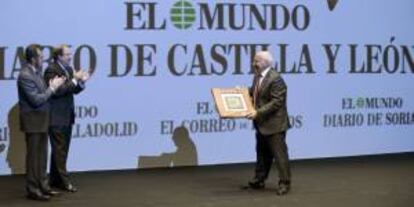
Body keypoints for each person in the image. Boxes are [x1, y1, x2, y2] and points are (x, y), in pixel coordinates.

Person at [17, 44, 65, 201]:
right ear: (33, 59)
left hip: (42, 120)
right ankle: (33, 189)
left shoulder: (36, 73)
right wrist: (52, 88)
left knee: (43, 155)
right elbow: (36, 100)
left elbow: (43, 95)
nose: (43, 59)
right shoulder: (25, 75)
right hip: (33, 121)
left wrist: (52, 87)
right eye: (40, 56)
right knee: (33, 158)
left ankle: (44, 186)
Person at [43, 44, 90, 193]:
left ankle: (54, 180)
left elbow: (72, 91)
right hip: (55, 116)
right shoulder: (51, 70)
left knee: (62, 150)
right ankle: (64, 181)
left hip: (67, 115)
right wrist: (75, 80)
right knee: (59, 150)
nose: (70, 57)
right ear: (59, 56)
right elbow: (57, 91)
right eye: (67, 54)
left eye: (70, 54)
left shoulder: (68, 70)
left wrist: (81, 82)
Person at [245, 51, 292, 195]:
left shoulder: (276, 79)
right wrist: (241, 93)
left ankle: (284, 183)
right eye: (254, 61)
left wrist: (258, 112)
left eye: (256, 61)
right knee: (261, 154)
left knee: (279, 156)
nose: (253, 64)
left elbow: (277, 102)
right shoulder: (258, 76)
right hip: (261, 123)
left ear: (265, 62)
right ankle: (259, 179)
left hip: (275, 124)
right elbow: (255, 93)